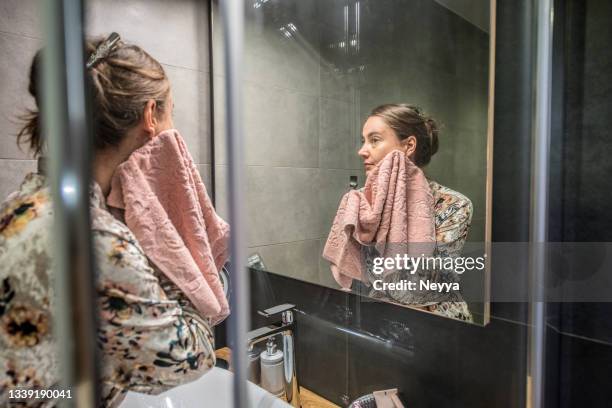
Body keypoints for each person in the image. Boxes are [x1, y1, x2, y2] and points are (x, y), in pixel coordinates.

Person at [0, 34, 216, 407]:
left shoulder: (21, 204)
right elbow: (191, 356)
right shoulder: (94, 237)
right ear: (151, 116)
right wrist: (173, 234)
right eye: (171, 113)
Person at [357, 103, 473, 322]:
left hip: (438, 323)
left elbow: (422, 286)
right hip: (384, 321)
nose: (362, 151)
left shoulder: (453, 205)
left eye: (374, 140)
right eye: (363, 141)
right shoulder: (364, 203)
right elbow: (365, 274)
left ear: (408, 146)